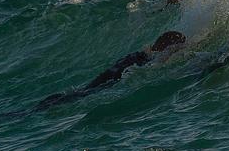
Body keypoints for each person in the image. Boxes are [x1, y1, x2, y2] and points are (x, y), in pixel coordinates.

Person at [35, 31, 186, 110]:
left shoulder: (137, 54)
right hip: (104, 85)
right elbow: (156, 63)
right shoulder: (148, 60)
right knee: (77, 97)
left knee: (76, 94)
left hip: (99, 81)